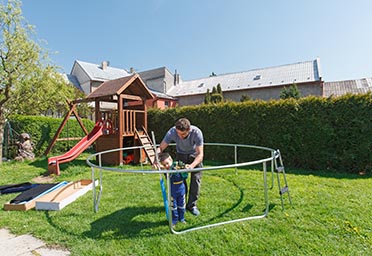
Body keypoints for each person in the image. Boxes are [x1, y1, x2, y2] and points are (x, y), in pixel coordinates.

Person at [157, 118, 204, 216]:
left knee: (195, 179)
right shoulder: (172, 131)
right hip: (181, 155)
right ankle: (180, 203)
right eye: (178, 133)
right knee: (178, 179)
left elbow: (200, 154)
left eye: (183, 134)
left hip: (194, 156)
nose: (179, 136)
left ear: (189, 130)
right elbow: (161, 148)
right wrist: (155, 159)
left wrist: (191, 166)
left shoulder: (197, 132)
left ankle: (191, 205)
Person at [159, 152, 188, 227]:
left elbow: (186, 171)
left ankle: (182, 218)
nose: (166, 166)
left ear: (170, 159)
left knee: (182, 204)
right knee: (173, 206)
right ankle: (174, 220)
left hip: (181, 188)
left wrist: (185, 168)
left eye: (167, 163)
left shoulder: (178, 165)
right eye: (164, 165)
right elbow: (161, 168)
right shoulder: (167, 170)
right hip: (172, 190)